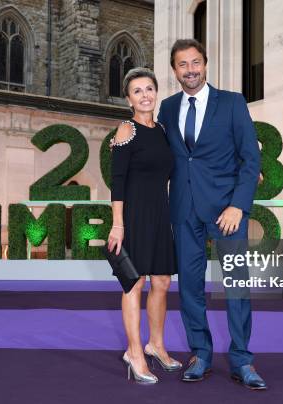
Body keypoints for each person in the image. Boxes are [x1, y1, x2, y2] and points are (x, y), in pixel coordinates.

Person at [157, 39, 266, 390]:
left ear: (206, 64)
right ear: (174, 70)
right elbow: (161, 155)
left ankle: (242, 360)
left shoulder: (233, 103)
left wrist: (239, 205)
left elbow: (251, 159)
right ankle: (200, 353)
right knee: (190, 287)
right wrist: (124, 139)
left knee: (236, 286)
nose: (190, 70)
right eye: (182, 64)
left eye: (195, 62)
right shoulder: (168, 108)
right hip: (184, 211)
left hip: (226, 212)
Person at [107, 67, 181, 384]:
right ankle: (135, 352)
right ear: (129, 99)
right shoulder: (126, 129)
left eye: (149, 88)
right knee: (134, 284)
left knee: (162, 282)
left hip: (160, 215)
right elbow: (118, 182)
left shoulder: (163, 130)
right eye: (137, 91)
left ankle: (156, 344)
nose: (145, 95)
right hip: (133, 216)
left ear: (156, 92)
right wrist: (117, 225)